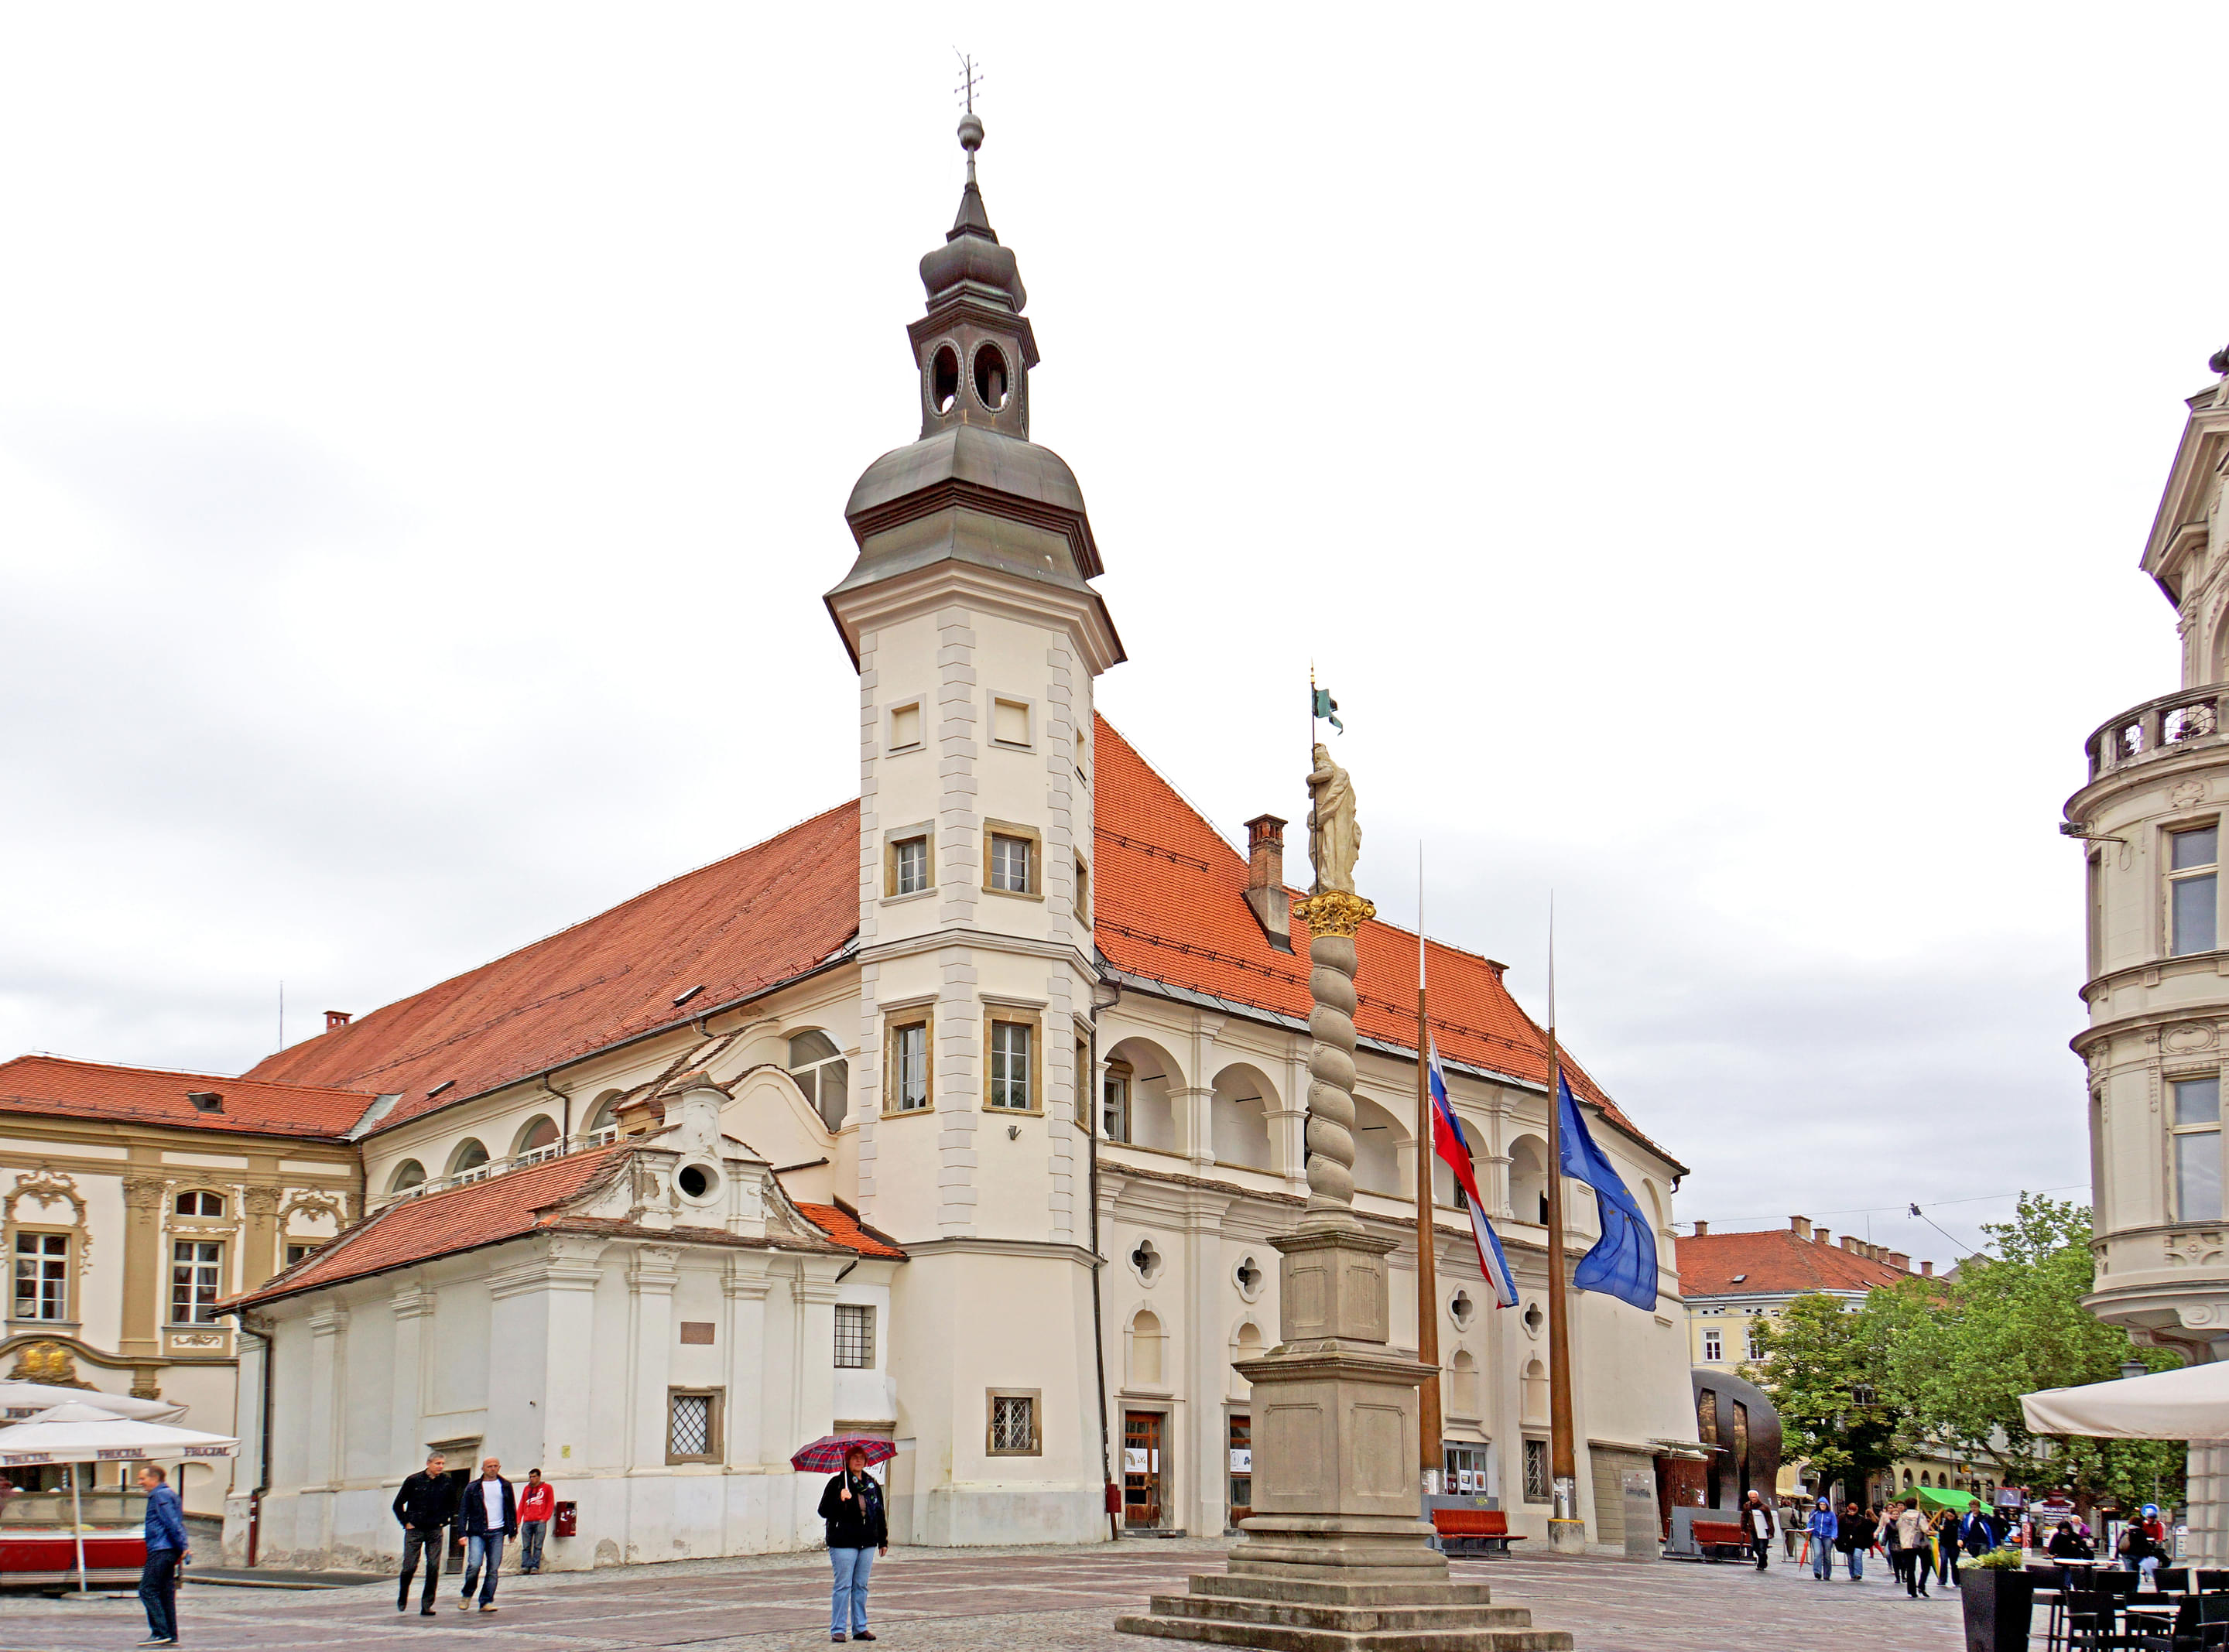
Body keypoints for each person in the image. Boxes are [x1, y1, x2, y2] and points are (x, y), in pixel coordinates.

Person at [817, 1445, 888, 1644]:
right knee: (843, 1585)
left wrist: (882, 1539)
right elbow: (823, 1511)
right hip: (843, 1541)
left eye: (861, 1458)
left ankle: (860, 1627)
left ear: (866, 1461)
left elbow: (879, 1513)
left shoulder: (871, 1484)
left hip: (867, 1541)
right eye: (854, 1458)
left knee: (861, 1586)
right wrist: (840, 1500)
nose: (858, 1461)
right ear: (847, 1461)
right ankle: (838, 1629)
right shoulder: (838, 1483)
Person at [393, 1451, 457, 1616]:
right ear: (429, 1463)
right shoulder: (413, 1480)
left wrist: (446, 1520)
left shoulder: (446, 1482)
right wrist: (406, 1522)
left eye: (443, 1464)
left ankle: (427, 1604)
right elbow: (398, 1504)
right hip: (415, 1529)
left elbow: (452, 1503)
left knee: (434, 1566)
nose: (441, 1467)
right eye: (438, 1464)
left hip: (435, 1529)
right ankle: (403, 1594)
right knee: (409, 1566)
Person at [135, 1462, 187, 1647]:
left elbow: (172, 1523)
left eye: (143, 1478)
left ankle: (160, 1632)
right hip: (168, 1548)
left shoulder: (160, 1495)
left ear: (154, 1478)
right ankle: (171, 1635)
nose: (140, 1482)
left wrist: (184, 1546)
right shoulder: (168, 1494)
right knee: (165, 1592)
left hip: (161, 1548)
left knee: (147, 1589)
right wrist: (181, 1547)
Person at [456, 1455, 516, 1613]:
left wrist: (512, 1530)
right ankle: (467, 1594)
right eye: (489, 1466)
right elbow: (463, 1511)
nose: (493, 1468)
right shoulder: (473, 1487)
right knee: (474, 1564)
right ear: (483, 1469)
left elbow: (511, 1508)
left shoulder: (505, 1485)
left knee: (493, 1568)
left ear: (499, 1467)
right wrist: (461, 1533)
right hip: (477, 1531)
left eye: (495, 1466)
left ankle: (486, 1601)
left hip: (497, 1531)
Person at [518, 1469, 555, 1575]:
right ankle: (525, 1566)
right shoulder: (527, 1489)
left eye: (534, 1477)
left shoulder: (547, 1488)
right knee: (526, 1546)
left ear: (539, 1477)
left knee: (538, 1545)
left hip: (540, 1521)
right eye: (530, 1477)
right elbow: (522, 1504)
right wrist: (518, 1519)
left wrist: (545, 1518)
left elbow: (550, 1503)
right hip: (528, 1521)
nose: (532, 1479)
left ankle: (535, 1566)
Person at [1896, 1499, 1930, 1599]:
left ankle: (1912, 1591)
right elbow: (1925, 1529)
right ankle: (1921, 1585)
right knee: (1926, 1565)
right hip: (1919, 1544)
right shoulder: (1920, 1515)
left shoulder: (1902, 1516)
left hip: (1907, 1544)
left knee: (1910, 1569)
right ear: (1916, 1505)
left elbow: (1898, 1526)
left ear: (1906, 1505)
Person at [1742, 1490, 1775, 1571]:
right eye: (1752, 1497)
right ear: (1750, 1498)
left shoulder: (1764, 1507)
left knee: (1762, 1548)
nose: (1754, 1499)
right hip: (1753, 1530)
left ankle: (1761, 1564)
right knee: (1754, 1546)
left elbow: (1769, 1520)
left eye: (1755, 1497)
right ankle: (1763, 1558)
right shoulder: (1747, 1506)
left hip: (1763, 1530)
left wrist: (1771, 1532)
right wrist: (1743, 1528)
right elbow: (1744, 1517)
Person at [1839, 1501, 1872, 1581]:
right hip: (1847, 1542)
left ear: (1857, 1509)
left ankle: (1858, 1573)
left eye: (1854, 1510)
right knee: (1850, 1559)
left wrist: (1867, 1542)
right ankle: (1852, 1574)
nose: (1852, 1511)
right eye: (1851, 1509)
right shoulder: (1843, 1518)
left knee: (1857, 1556)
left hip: (1859, 1542)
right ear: (1848, 1509)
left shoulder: (1861, 1519)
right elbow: (1840, 1530)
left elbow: (1867, 1531)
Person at [1808, 1497, 1838, 1581]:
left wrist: (1833, 1536)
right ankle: (1817, 1572)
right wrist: (1809, 1528)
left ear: (1827, 1505)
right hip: (1816, 1535)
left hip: (1827, 1536)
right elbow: (1810, 1522)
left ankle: (1827, 1574)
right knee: (1817, 1553)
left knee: (1827, 1556)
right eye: (1821, 1504)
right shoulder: (1815, 1513)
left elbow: (1835, 1526)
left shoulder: (1831, 1514)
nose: (1822, 1506)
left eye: (1824, 1505)